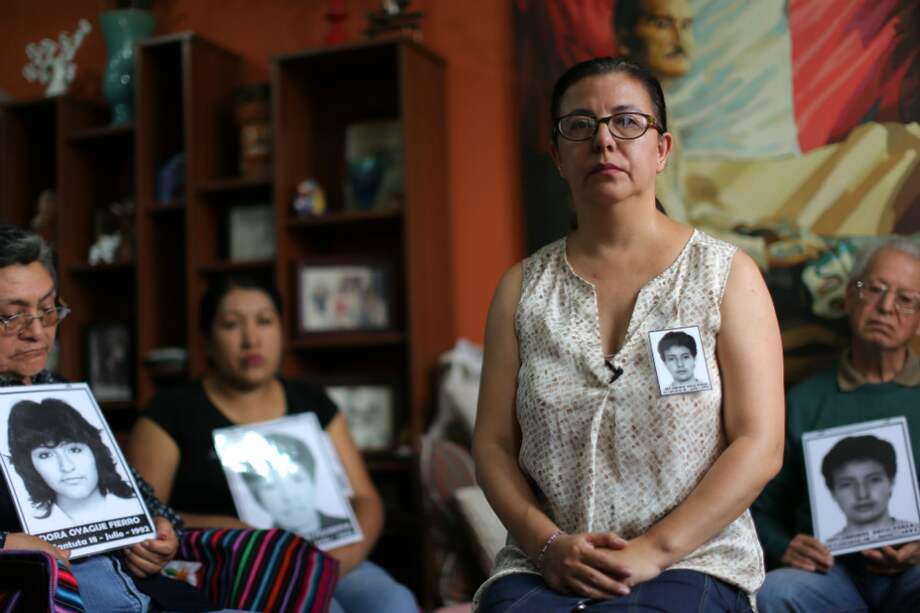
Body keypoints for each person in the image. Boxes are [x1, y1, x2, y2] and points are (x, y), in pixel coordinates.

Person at [472, 57, 784, 612]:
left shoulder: (726, 276)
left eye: (626, 122)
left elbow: (760, 445)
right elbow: (493, 445)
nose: (604, 141)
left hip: (693, 561)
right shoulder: (520, 289)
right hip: (545, 566)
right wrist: (547, 546)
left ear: (661, 149)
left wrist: (653, 551)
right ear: (558, 155)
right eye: (580, 126)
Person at [127, 274, 418, 613]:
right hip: (234, 566)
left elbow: (366, 499)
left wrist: (342, 560)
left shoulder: (311, 401)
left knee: (395, 601)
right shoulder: (170, 412)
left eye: (265, 322)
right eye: (231, 325)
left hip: (328, 557)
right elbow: (144, 517)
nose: (251, 339)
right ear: (206, 340)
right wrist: (235, 528)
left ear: (281, 331)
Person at [0, 223, 232, 612]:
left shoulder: (60, 393)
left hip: (156, 597)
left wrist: (159, 533)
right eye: (12, 317)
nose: (37, 332)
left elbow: (143, 501)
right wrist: (6, 542)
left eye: (48, 310)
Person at [752, 239, 920, 612]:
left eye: (906, 299)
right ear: (848, 297)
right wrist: (784, 546)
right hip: (829, 573)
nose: (887, 307)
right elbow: (760, 507)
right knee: (776, 593)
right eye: (874, 289)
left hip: (914, 572)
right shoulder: (803, 400)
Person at [8, 397, 143, 529]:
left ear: (95, 451)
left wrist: (160, 524)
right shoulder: (29, 524)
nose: (66, 467)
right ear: (29, 465)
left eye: (74, 449)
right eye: (45, 455)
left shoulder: (135, 505)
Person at [238, 432, 352, 536]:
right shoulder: (258, 549)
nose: (288, 497)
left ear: (312, 482)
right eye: (270, 486)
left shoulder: (349, 527)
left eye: (297, 479)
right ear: (258, 499)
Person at [821, 435, 919, 549]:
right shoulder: (824, 551)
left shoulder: (917, 534)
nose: (862, 494)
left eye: (874, 480)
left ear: (891, 481)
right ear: (832, 492)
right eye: (846, 485)